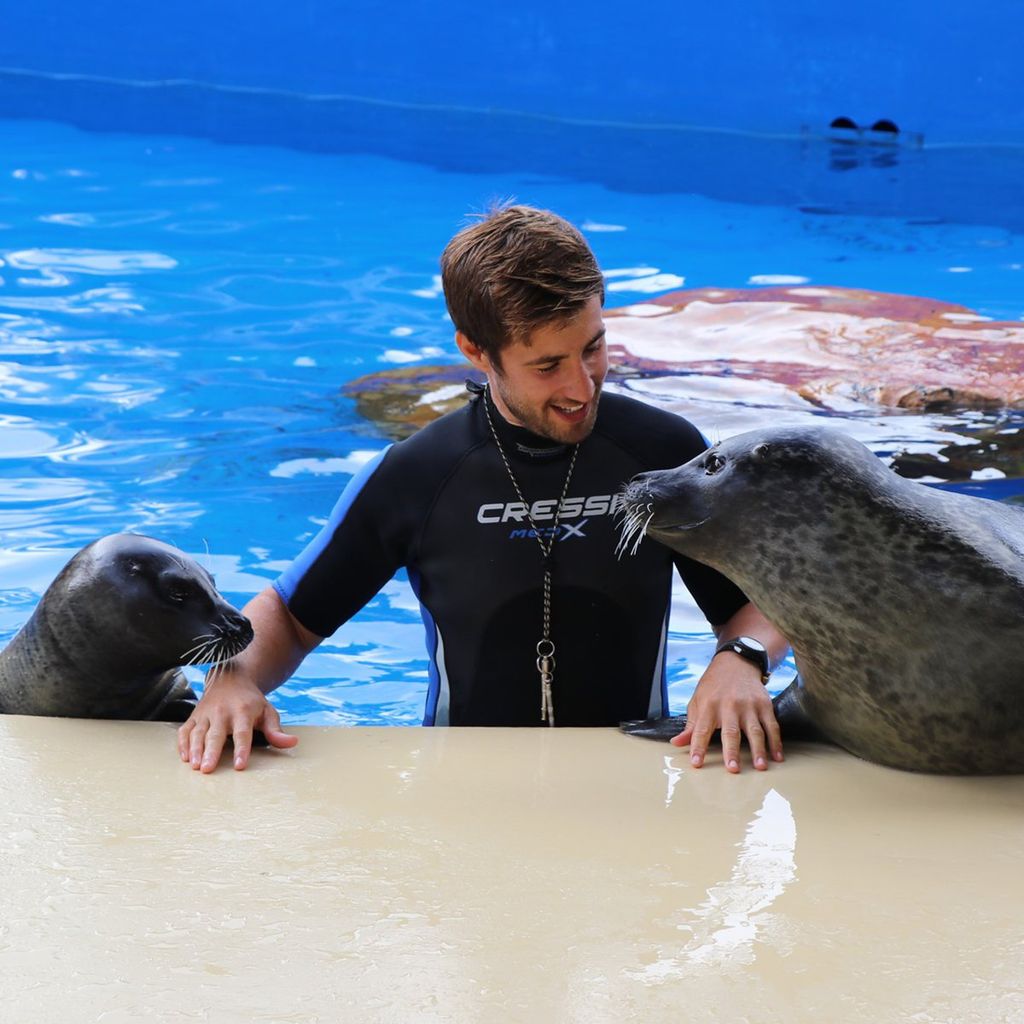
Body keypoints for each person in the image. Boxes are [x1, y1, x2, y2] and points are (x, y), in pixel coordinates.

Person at [178, 204, 789, 774]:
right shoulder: (419, 475)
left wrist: (742, 659)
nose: (583, 386)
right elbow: (290, 613)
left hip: (629, 782)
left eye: (593, 347)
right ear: (475, 351)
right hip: (458, 790)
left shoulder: (661, 453)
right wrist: (232, 680)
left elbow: (772, 596)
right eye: (548, 366)